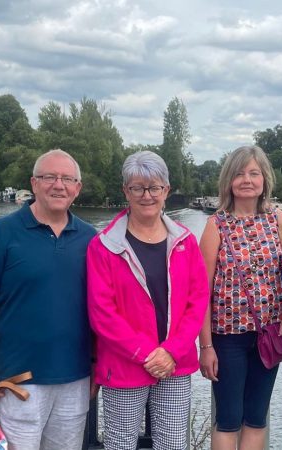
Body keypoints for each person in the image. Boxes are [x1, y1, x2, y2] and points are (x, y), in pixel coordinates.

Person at [0, 149, 97, 449]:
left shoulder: (91, 239)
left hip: (75, 377)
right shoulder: (3, 233)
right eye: (49, 176)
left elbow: (102, 308)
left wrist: (97, 365)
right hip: (18, 380)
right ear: (34, 183)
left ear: (77, 188)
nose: (58, 184)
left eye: (67, 178)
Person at [87, 150, 209, 450]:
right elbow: (102, 313)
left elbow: (198, 300)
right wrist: (145, 353)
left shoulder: (185, 241)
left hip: (174, 363)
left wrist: (171, 351)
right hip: (124, 363)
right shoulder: (104, 246)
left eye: (155, 187)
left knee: (173, 445)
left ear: (166, 191)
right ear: (125, 191)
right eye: (137, 187)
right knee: (121, 444)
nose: (147, 195)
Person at [198, 145, 282, 450]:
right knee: (229, 418)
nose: (247, 179)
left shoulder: (278, 220)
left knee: (256, 417)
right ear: (229, 180)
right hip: (227, 337)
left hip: (269, 333)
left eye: (254, 173)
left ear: (264, 179)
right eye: (240, 173)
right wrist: (205, 346)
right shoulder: (216, 225)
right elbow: (201, 289)